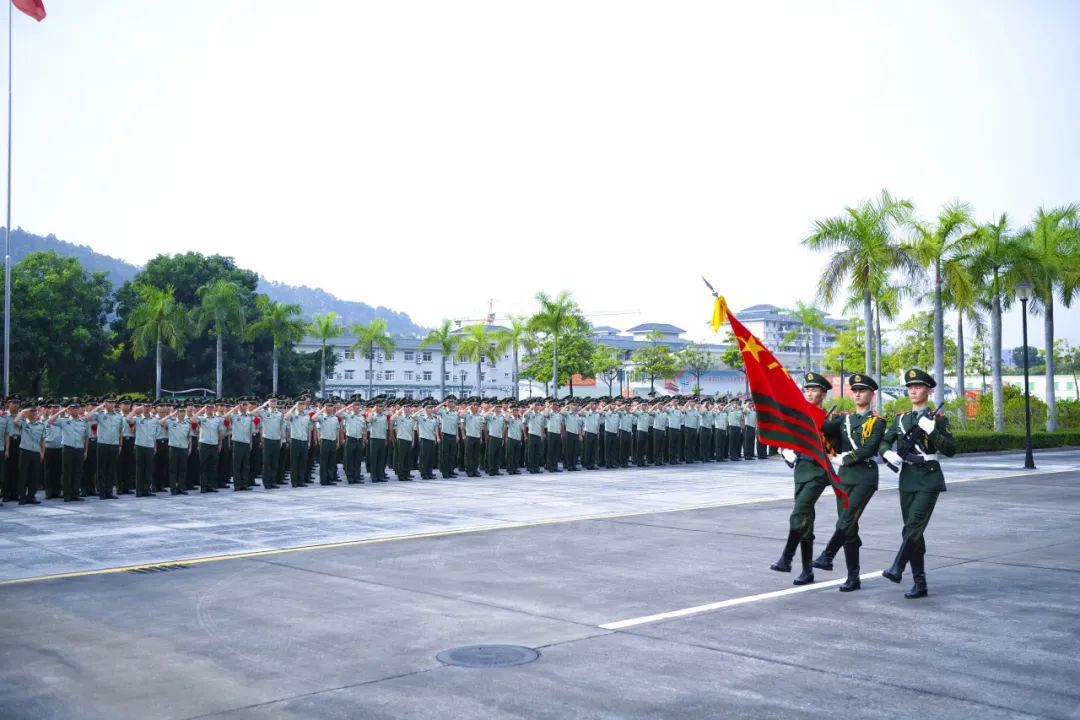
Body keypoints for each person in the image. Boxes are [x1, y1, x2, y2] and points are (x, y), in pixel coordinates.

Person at [879, 368, 956, 599]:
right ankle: (920, 584)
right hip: (907, 478)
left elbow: (951, 450)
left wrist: (932, 431)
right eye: (910, 387)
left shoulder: (938, 419)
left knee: (913, 527)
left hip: (929, 477)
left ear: (929, 390)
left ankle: (897, 567)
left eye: (919, 386)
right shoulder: (901, 418)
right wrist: (887, 453)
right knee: (912, 531)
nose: (913, 390)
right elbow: (884, 440)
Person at [813, 374, 886, 592]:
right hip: (844, 479)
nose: (857, 394)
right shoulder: (844, 420)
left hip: (865, 477)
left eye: (862, 390)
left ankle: (827, 555)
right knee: (849, 528)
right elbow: (824, 429)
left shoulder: (877, 422)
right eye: (855, 390)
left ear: (872, 394)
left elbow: (869, 448)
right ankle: (853, 577)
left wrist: (845, 458)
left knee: (845, 520)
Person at [771, 373, 835, 585]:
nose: (809, 393)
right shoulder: (801, 416)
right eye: (807, 389)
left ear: (823, 394)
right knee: (806, 522)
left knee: (798, 515)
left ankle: (786, 559)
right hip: (801, 471)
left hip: (817, 472)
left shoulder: (826, 419)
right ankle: (807, 572)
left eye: (814, 390)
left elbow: (831, 447)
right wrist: (785, 450)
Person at [160, 403, 193, 495]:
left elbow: (189, 436)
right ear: (177, 412)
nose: (182, 413)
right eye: (180, 411)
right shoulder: (171, 422)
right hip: (173, 448)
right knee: (173, 469)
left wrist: (189, 447)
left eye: (183, 411)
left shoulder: (187, 423)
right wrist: (171, 415)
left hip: (183, 448)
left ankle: (181, 488)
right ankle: (173, 488)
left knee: (182, 469)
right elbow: (161, 422)